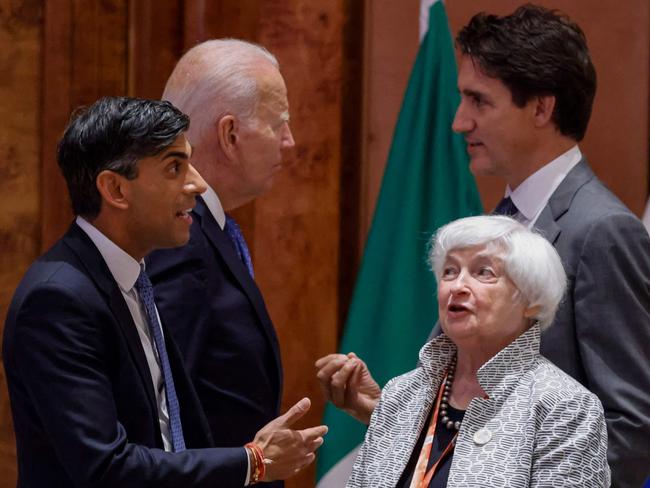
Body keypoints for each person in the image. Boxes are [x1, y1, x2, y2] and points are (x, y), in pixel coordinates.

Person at [317, 5, 650, 487]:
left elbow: (632, 424)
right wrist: (390, 411)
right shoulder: (494, 225)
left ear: (541, 107)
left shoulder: (602, 230)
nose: (458, 122)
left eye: (479, 101)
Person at [3, 96, 326, 487]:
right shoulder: (58, 300)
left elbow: (168, 434)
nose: (198, 183)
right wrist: (251, 462)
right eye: (175, 167)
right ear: (116, 190)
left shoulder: (134, 278)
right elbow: (106, 468)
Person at [347, 215, 610, 487]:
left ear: (531, 301)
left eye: (483, 272)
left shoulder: (565, 406)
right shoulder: (400, 395)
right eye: (449, 271)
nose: (457, 286)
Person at [145, 39, 293, 487]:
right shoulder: (179, 239)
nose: (290, 141)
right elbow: (162, 411)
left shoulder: (208, 229)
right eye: (278, 124)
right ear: (230, 135)